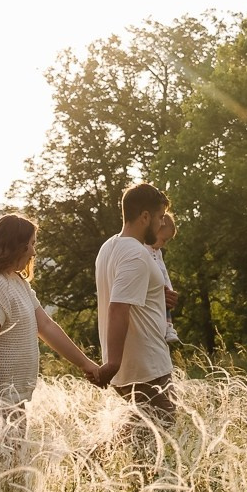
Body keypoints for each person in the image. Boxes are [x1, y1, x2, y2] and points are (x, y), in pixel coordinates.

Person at [0, 213, 101, 415]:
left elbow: (47, 326)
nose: (33, 252)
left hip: (14, 400)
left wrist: (86, 365)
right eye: (31, 244)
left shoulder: (17, 282)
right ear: (16, 245)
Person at [93, 182, 177, 429]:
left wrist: (158, 295)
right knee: (160, 434)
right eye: (160, 218)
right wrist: (113, 364)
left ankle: (84, 464)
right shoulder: (136, 254)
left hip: (137, 365)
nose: (163, 224)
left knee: (139, 436)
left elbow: (126, 293)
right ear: (145, 216)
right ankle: (84, 463)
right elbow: (118, 307)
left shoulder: (110, 247)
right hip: (145, 366)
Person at [153, 211, 182, 345]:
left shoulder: (158, 253)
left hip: (162, 290)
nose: (164, 244)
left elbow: (164, 274)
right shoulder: (142, 249)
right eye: (163, 239)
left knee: (167, 309)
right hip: (154, 292)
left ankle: (169, 328)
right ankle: (167, 329)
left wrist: (170, 289)